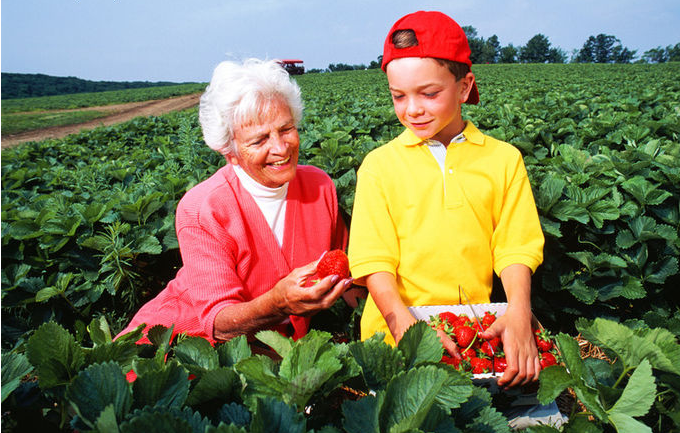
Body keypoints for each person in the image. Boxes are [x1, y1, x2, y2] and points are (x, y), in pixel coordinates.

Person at [348, 11, 545, 388]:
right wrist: (404, 327)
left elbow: (516, 246)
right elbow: (373, 260)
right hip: (393, 330)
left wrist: (519, 310)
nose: (412, 109)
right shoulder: (378, 166)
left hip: (468, 327)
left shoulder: (503, 160)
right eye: (398, 96)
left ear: (465, 85)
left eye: (429, 93)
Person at [116, 58, 352, 346]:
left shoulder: (319, 187)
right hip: (181, 347)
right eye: (259, 140)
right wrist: (278, 304)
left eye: (286, 128)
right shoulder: (203, 208)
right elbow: (219, 323)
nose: (280, 148)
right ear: (230, 151)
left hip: (275, 352)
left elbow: (347, 272)